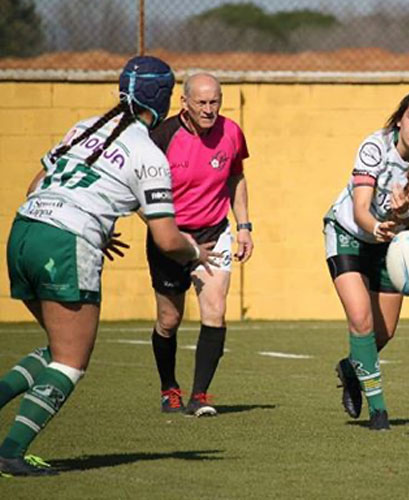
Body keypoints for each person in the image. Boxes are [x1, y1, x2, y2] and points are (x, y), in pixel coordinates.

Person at [0, 56, 216, 476]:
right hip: (65, 242)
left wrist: (93, 219)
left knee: (55, 349)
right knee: (70, 361)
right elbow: (167, 239)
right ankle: (10, 452)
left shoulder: (84, 126)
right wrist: (196, 252)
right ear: (164, 98)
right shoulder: (148, 152)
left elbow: (35, 186)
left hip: (24, 230)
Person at [326, 91, 409, 430]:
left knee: (384, 331)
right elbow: (362, 209)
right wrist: (377, 225)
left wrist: (401, 210)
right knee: (361, 320)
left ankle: (351, 367)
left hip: (388, 242)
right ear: (399, 119)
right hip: (348, 233)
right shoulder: (374, 146)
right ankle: (379, 411)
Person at [147, 72, 253, 417]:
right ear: (185, 103)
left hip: (214, 232)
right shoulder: (160, 137)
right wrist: (170, 234)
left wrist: (244, 227)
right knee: (169, 318)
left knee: (215, 310)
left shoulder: (231, 132)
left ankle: (200, 396)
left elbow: (236, 177)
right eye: (202, 103)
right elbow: (138, 193)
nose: (209, 110)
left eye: (215, 102)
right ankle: (169, 389)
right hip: (172, 237)